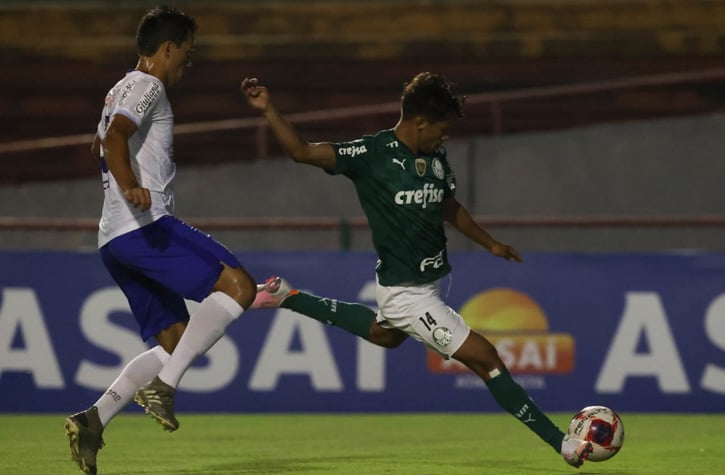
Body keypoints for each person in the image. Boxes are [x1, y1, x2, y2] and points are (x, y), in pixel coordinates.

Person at [241, 73, 593, 468]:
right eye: (443, 130)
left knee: (384, 334)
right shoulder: (371, 153)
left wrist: (489, 242)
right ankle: (561, 442)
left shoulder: (436, 160)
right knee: (486, 358)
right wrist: (268, 110)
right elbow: (302, 152)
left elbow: (449, 206)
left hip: (425, 285)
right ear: (420, 122)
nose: (446, 138)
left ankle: (286, 296)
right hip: (408, 293)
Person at [64, 7, 257, 475]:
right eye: (186, 55)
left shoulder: (118, 89)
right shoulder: (148, 85)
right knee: (239, 287)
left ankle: (93, 419)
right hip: (144, 227)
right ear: (167, 49)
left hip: (113, 240)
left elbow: (99, 144)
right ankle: (166, 387)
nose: (187, 65)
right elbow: (114, 140)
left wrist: (120, 166)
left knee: (176, 342)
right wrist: (132, 183)